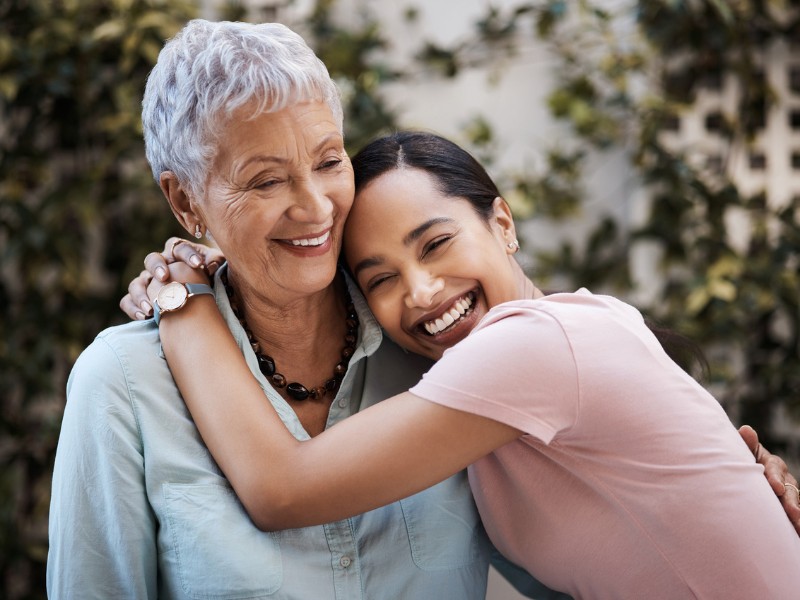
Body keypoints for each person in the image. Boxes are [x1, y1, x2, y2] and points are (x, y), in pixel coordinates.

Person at [138, 131, 800, 599]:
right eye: (381, 280)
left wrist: (184, 300)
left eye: (436, 243)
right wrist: (240, 268)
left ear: (501, 222)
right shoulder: (506, 374)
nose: (422, 292)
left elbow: (282, 490)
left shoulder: (534, 347)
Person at [48, 20, 512, 599]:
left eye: (328, 162)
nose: (315, 208)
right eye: (266, 181)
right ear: (185, 200)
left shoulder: (429, 337)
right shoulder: (122, 384)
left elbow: (574, 556)